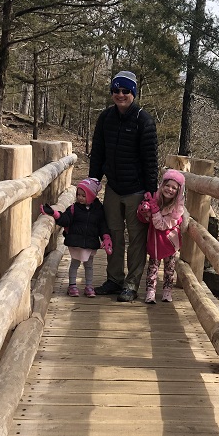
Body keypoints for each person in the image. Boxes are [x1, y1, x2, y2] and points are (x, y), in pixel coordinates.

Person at [89, 70, 158, 302]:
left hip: (137, 190)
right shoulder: (105, 118)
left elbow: (150, 160)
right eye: (116, 90)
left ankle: (131, 284)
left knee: (137, 240)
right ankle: (114, 279)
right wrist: (93, 180)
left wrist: (151, 190)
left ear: (133, 93)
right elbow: (97, 152)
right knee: (113, 236)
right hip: (113, 188)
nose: (120, 94)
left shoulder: (144, 120)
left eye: (125, 91)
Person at [41, 177, 112, 297]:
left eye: (83, 196)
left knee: (89, 265)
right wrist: (55, 214)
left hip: (90, 242)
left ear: (92, 196)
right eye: (78, 195)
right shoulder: (74, 208)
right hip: (76, 242)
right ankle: (72, 285)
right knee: (75, 264)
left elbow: (102, 225)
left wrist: (106, 237)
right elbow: (66, 219)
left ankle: (89, 286)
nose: (80, 198)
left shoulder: (98, 210)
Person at [137, 169, 187, 304]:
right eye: (167, 185)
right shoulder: (155, 199)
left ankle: (167, 291)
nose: (170, 189)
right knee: (153, 266)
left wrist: (154, 210)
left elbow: (161, 225)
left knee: (169, 268)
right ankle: (150, 291)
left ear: (178, 191)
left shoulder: (177, 209)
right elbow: (146, 219)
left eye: (174, 188)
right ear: (162, 185)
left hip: (169, 241)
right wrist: (145, 211)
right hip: (155, 240)